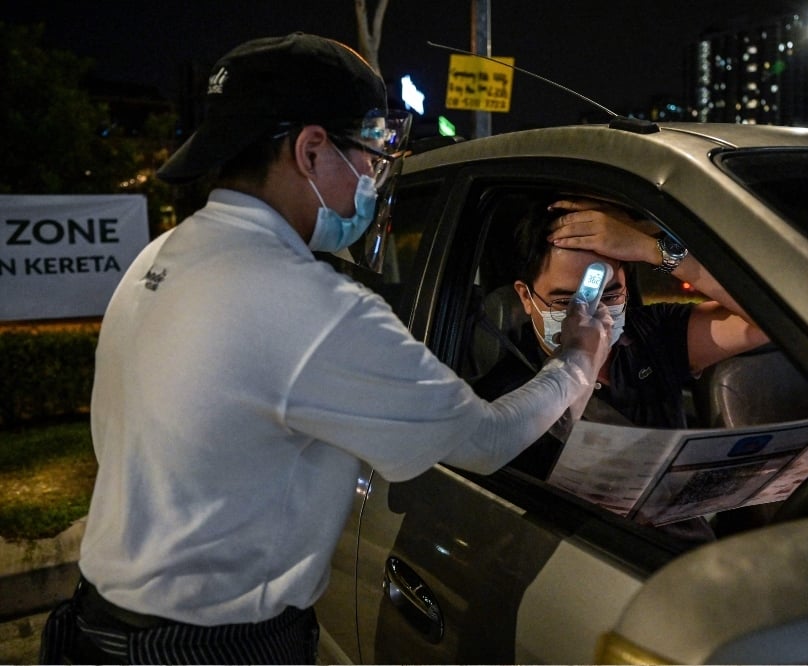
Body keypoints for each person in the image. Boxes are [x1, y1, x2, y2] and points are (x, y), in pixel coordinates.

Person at [39, 33, 610, 665]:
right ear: (312, 150)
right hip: (209, 649)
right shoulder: (311, 306)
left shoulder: (161, 255)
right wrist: (577, 360)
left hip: (93, 629)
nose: (372, 179)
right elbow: (485, 440)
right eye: (368, 156)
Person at [474, 198, 769, 542]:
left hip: (684, 549)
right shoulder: (503, 394)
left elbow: (774, 318)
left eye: (610, 295)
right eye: (566, 301)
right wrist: (579, 358)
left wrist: (655, 249)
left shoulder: (649, 334)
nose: (595, 316)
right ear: (526, 297)